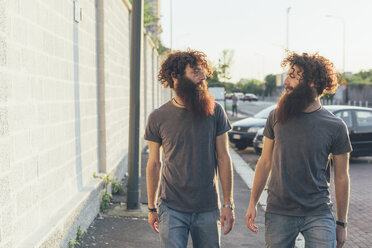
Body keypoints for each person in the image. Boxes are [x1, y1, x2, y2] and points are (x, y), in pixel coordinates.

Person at [245, 52, 351, 248]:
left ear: (312, 82)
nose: (286, 81)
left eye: (293, 76)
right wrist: (253, 202)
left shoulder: (336, 126)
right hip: (279, 211)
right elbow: (265, 162)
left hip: (318, 213)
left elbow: (342, 177)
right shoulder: (275, 116)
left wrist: (342, 223)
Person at [145, 49, 235, 248]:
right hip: (171, 208)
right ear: (175, 77)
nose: (202, 77)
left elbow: (224, 158)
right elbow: (154, 164)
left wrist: (228, 203)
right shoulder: (158, 117)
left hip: (208, 208)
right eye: (195, 72)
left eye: (202, 71)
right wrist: (152, 208)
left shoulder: (215, 111)